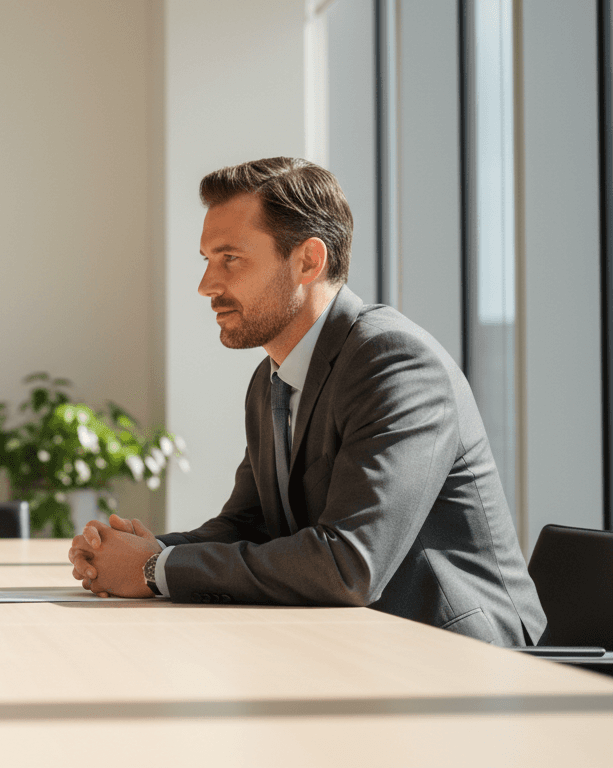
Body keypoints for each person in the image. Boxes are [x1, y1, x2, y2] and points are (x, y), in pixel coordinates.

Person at [68, 157, 545, 645]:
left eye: (230, 258)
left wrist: (153, 568)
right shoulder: (271, 377)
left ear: (307, 262)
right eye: (207, 260)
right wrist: (136, 552)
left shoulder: (395, 363)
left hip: (460, 660)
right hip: (358, 645)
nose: (206, 285)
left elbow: (349, 563)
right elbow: (246, 526)